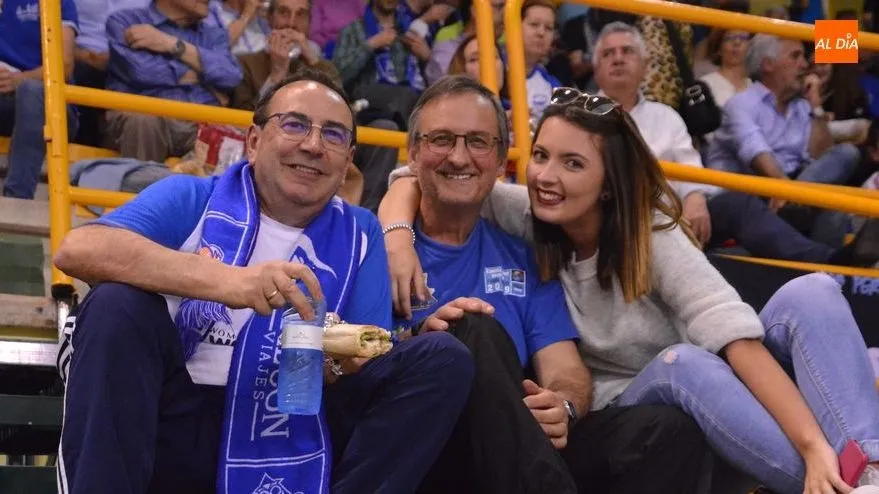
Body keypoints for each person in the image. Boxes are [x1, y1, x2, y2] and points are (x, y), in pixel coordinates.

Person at [385, 86, 879, 494]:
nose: (546, 176)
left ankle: (868, 472)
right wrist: (397, 237)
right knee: (685, 365)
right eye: (540, 156)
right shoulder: (529, 210)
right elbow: (423, 174)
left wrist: (815, 446)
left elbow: (733, 335)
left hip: (727, 405)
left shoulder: (649, 234)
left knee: (813, 291)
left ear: (607, 184)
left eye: (573, 164)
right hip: (640, 407)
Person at [53, 68, 474, 494]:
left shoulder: (362, 231)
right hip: (177, 416)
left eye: (332, 135)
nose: (312, 145)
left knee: (442, 357)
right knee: (115, 304)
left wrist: (337, 361)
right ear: (253, 142)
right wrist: (231, 282)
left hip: (297, 423)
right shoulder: (192, 197)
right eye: (294, 124)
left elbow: (366, 356)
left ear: (348, 160)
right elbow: (79, 250)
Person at [378, 76, 711, 494]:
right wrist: (418, 341)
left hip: (510, 453)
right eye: (441, 139)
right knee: (469, 327)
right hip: (420, 447)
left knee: (666, 429)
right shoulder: (374, 243)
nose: (459, 157)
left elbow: (565, 369)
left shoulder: (525, 256)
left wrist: (562, 404)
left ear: (501, 159)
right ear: (412, 154)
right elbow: (352, 364)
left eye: (478, 142)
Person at [103, 0, 243, 163]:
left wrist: (171, 43)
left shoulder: (214, 35)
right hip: (151, 116)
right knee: (143, 121)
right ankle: (141, 179)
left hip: (202, 122)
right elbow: (140, 71)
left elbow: (231, 77)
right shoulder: (126, 22)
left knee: (247, 136)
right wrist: (204, 73)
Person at [0, 0, 79, 199]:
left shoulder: (57, 2)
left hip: (49, 103)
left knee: (30, 90)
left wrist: (18, 79)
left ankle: (17, 198)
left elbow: (64, 66)